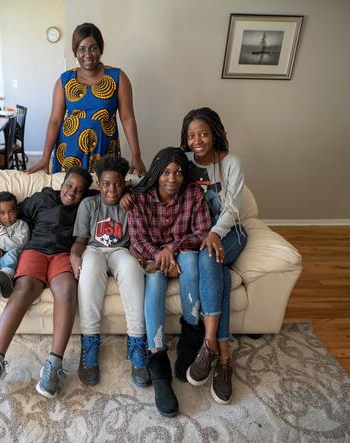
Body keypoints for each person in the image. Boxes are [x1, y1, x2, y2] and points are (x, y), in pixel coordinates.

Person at [0, 167, 94, 399]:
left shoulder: (88, 203)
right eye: (70, 186)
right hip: (35, 251)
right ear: (63, 183)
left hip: (63, 254)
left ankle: (54, 364)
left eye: (79, 190)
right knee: (23, 290)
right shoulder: (41, 198)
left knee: (68, 290)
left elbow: (112, 192)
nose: (72, 192)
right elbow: (11, 219)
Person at [127, 148, 211, 417]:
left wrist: (172, 249)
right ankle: (158, 361)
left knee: (189, 260)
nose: (172, 179)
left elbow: (203, 232)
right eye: (165, 172)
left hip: (180, 255)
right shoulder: (139, 199)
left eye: (178, 172)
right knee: (154, 285)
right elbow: (137, 239)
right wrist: (159, 254)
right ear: (156, 173)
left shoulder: (194, 195)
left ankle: (191, 336)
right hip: (152, 257)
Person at [177, 107, 248, 405]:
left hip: (231, 233)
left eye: (203, 134)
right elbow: (159, 184)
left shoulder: (231, 162)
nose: (198, 140)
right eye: (192, 135)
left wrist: (215, 233)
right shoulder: (185, 167)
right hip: (205, 237)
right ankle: (224, 360)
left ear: (215, 133)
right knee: (218, 271)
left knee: (209, 256)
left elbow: (232, 208)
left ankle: (207, 345)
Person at [26, 22, 146, 176]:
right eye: (81, 49)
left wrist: (136, 155)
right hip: (69, 154)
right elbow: (55, 121)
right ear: (75, 51)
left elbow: (128, 119)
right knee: (69, 196)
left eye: (93, 48)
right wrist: (44, 158)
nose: (87, 55)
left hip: (104, 153)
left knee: (103, 196)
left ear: (101, 49)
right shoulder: (65, 80)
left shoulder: (118, 78)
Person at [70, 154, 148, 387]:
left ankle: (136, 342)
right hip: (94, 250)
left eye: (117, 183)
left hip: (120, 251)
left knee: (131, 269)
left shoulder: (130, 201)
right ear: (98, 184)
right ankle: (90, 341)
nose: (111, 189)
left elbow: (149, 183)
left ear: (124, 183)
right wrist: (74, 254)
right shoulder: (89, 204)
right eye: (106, 184)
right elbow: (81, 241)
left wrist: (131, 192)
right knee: (90, 267)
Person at [0, 192, 30, 302]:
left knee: (12, 252)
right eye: (2, 213)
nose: (7, 216)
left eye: (11, 212)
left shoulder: (22, 225)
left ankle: (6, 276)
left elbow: (20, 242)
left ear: (17, 210)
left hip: (14, 257)